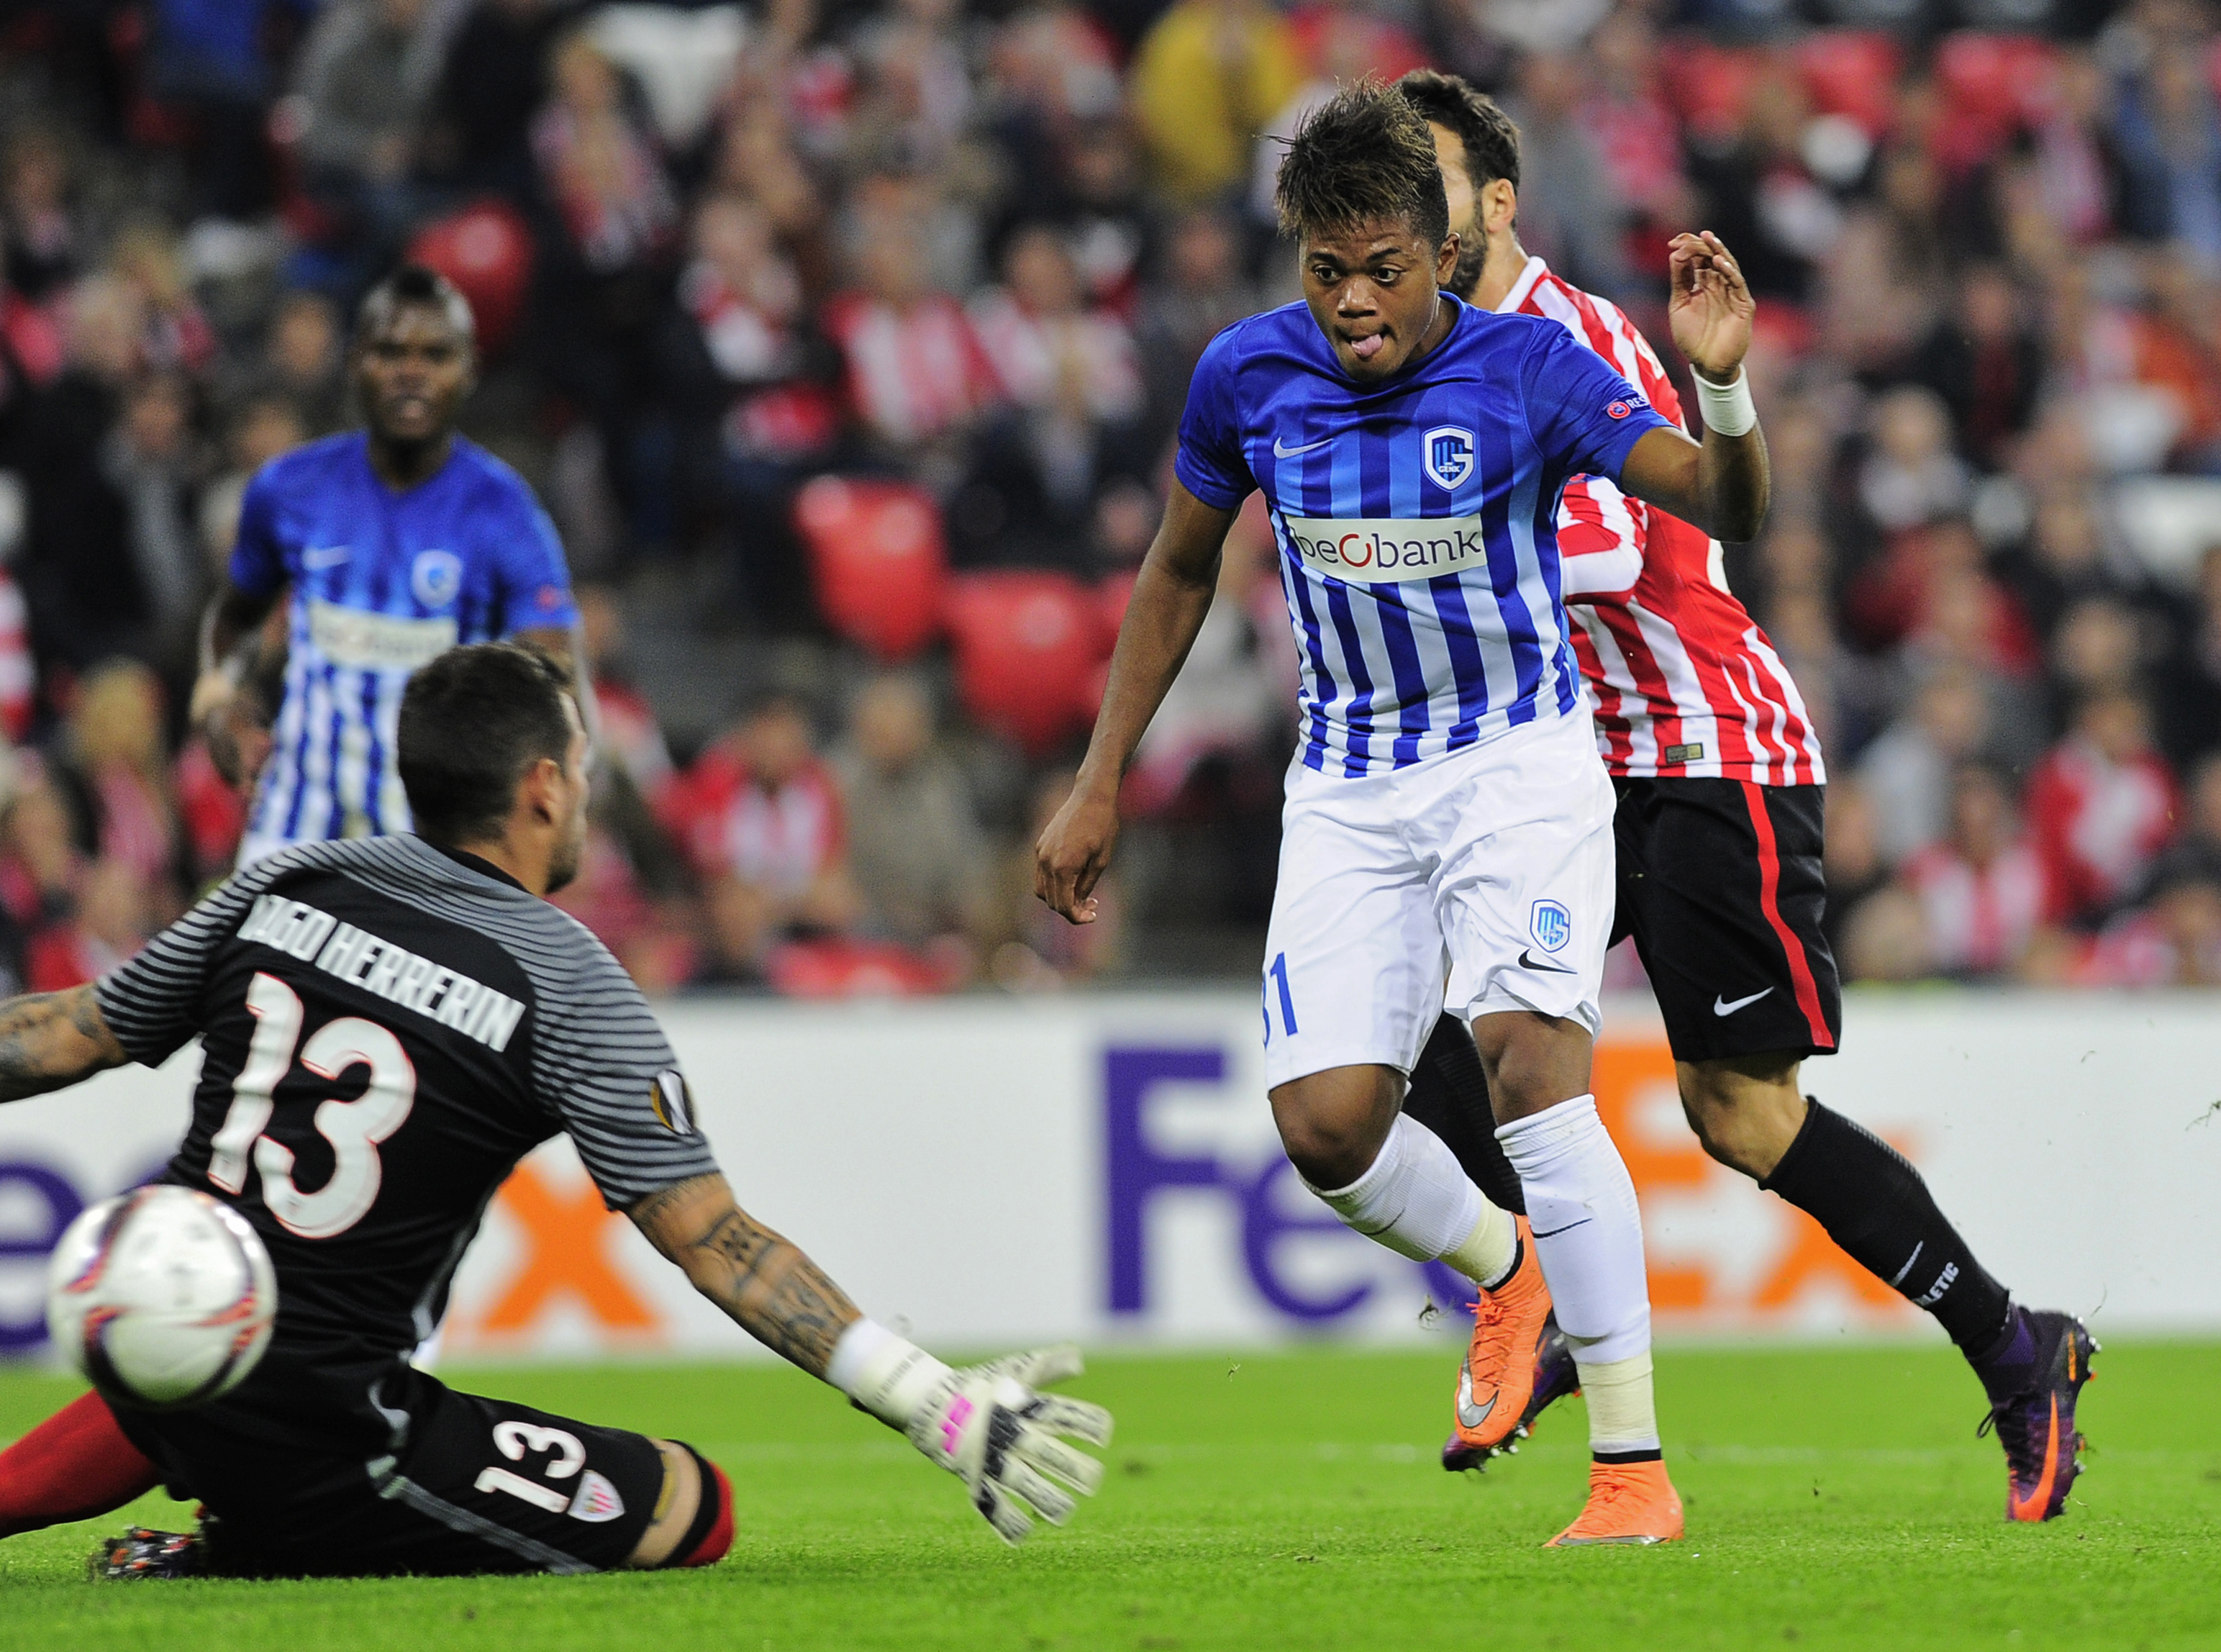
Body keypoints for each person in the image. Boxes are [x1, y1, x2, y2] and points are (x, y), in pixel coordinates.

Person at [1035, 83, 1771, 1547]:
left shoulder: (1530, 371)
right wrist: (1101, 771)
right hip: (1350, 783)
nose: (1355, 301)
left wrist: (1722, 386)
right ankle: (1506, 1269)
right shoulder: (1245, 378)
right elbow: (1178, 570)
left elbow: (1720, 505)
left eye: (1383, 267)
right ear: (1295, 259)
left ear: (1442, 251)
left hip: (1514, 765)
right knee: (1323, 1127)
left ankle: (1630, 1469)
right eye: (1326, 270)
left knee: (1527, 1069)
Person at [0, 643, 1109, 1578]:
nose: (585, 790)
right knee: (694, 1504)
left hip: (165, 1358)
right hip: (337, 1433)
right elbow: (717, 1243)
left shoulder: (289, 885)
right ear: (543, 786)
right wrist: (932, 1401)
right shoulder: (564, 978)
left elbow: (64, 1037)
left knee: (244, 1355)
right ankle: (242, 1548)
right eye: (582, 766)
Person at [1396, 68, 2094, 1523]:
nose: (1405, 216)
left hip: (1705, 742)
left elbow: (1599, 554)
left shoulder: (1564, 338)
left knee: (1738, 1112)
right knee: (1414, 1010)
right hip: (1574, 767)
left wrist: (1413, 555)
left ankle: (2015, 1346)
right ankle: (1540, 1293)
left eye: (1430, 187)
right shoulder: (1422, 357)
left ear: (1496, 202)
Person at [189, 266, 591, 869]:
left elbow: (552, 678)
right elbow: (235, 618)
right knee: (252, 967)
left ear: (470, 370)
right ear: (355, 363)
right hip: (298, 827)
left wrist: (548, 829)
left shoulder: (505, 513)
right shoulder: (289, 488)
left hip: (437, 844)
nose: (411, 371)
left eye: (435, 355)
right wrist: (221, 701)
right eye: (391, 351)